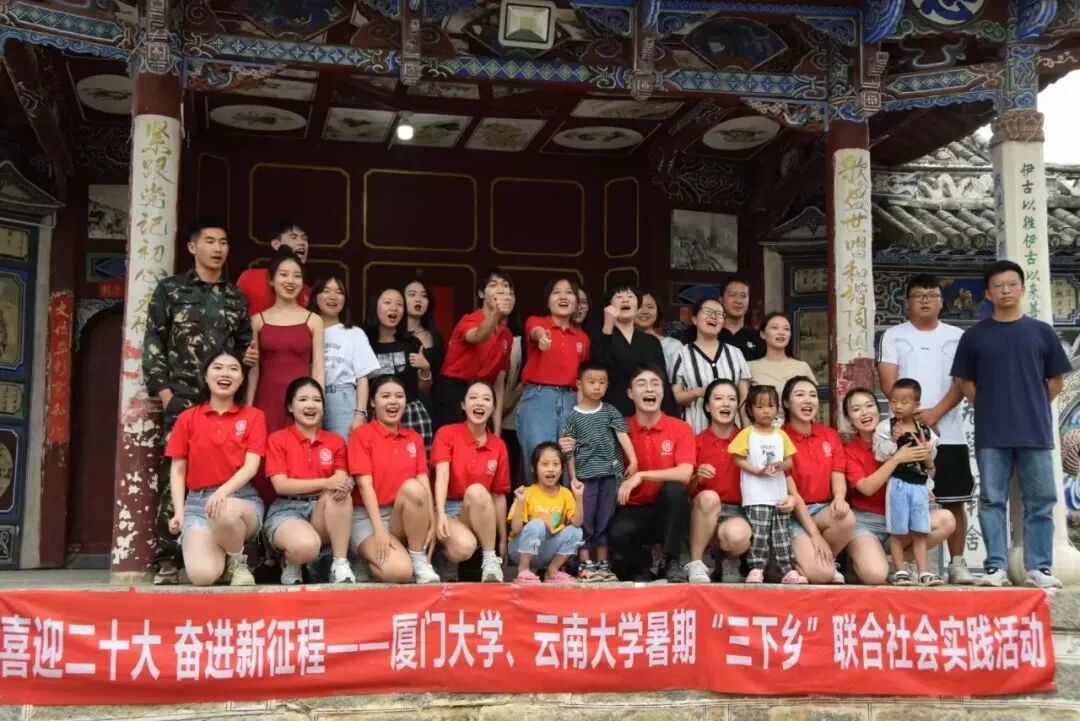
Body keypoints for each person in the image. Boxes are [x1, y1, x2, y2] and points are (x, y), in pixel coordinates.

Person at [951, 260, 1073, 589]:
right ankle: (995, 568)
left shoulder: (1041, 332)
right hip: (992, 432)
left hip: (1035, 431)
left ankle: (1039, 568)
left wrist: (1032, 405)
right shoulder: (974, 336)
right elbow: (964, 381)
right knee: (992, 500)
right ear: (988, 294)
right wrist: (989, 406)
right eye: (998, 286)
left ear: (1022, 288)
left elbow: (1056, 380)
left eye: (1011, 284)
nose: (1005, 290)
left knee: (1041, 500)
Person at [144, 217, 252, 584]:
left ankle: (226, 550)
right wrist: (166, 395)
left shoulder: (236, 297)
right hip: (183, 397)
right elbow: (154, 341)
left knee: (225, 469)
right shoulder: (171, 289)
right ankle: (167, 555)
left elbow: (244, 348)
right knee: (173, 473)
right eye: (209, 241)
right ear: (192, 247)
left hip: (223, 402)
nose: (217, 249)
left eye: (223, 242)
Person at [878, 273, 973, 584]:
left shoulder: (957, 336)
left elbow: (962, 381)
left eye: (932, 295)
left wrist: (935, 413)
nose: (925, 300)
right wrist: (912, 419)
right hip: (906, 435)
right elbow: (889, 380)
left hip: (949, 431)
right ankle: (902, 564)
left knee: (953, 500)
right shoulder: (893, 335)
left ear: (942, 302)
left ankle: (957, 563)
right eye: (918, 295)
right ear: (907, 302)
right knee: (905, 499)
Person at [165, 351, 265, 587]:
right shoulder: (188, 418)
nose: (225, 373)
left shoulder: (253, 416)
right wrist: (179, 512)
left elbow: (251, 467)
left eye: (233, 368)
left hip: (241, 501)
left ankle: (238, 563)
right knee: (202, 576)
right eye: (218, 367)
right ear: (205, 376)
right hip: (198, 504)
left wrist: (222, 492)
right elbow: (178, 470)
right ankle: (224, 551)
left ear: (242, 378)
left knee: (223, 510)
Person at [842, 388, 956, 585]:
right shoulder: (850, 451)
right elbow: (867, 488)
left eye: (869, 406)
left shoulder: (907, 435)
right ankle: (875, 560)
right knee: (875, 575)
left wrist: (928, 467)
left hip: (903, 518)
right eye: (856, 409)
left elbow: (927, 472)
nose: (865, 413)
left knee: (946, 519)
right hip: (866, 523)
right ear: (848, 418)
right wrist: (896, 459)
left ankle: (897, 564)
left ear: (879, 410)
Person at [247, 249, 325, 501]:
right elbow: (254, 370)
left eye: (296, 275)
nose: (290, 281)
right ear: (271, 280)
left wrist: (318, 405)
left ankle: (296, 513)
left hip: (302, 400)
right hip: (267, 399)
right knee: (263, 456)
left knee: (300, 454)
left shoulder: (314, 320)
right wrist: (248, 408)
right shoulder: (257, 320)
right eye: (283, 275)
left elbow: (318, 367)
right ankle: (263, 514)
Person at [605, 364, 694, 583]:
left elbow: (685, 473)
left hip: (668, 512)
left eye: (655, 384)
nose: (649, 389)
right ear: (630, 393)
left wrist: (641, 475)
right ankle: (641, 565)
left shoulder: (680, 428)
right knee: (618, 533)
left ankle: (670, 561)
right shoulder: (620, 428)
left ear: (663, 392)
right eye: (641, 384)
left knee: (675, 490)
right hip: (632, 509)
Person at [348, 375, 440, 584]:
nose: (393, 401)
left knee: (414, 488)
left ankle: (418, 558)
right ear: (373, 402)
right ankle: (364, 558)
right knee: (399, 573)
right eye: (386, 396)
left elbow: (423, 483)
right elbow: (364, 486)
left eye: (399, 396)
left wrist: (432, 522)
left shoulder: (414, 437)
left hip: (400, 514)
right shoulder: (361, 435)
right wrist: (379, 531)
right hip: (367, 517)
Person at [263, 377, 355, 585]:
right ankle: (291, 560)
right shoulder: (277, 439)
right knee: (305, 546)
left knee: (341, 495)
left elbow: (340, 479)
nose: (311, 405)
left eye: (316, 400)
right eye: (303, 399)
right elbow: (281, 485)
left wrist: (338, 484)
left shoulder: (335, 441)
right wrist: (325, 483)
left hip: (321, 509)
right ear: (290, 406)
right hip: (287, 509)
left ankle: (340, 563)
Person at [561, 360, 638, 582]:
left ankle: (603, 564)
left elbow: (622, 435)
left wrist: (633, 460)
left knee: (605, 519)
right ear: (579, 384)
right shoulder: (572, 416)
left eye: (602, 382)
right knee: (586, 520)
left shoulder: (610, 411)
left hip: (610, 476)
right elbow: (569, 451)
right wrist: (573, 477)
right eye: (592, 382)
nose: (597, 386)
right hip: (585, 478)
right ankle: (585, 564)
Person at [431, 381, 510, 583]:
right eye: (473, 397)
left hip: (478, 511)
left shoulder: (498, 445)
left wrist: (502, 540)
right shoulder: (447, 433)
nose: (480, 403)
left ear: (493, 408)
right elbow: (442, 475)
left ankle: (490, 560)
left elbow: (498, 495)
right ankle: (444, 557)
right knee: (464, 547)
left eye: (486, 399)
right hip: (447, 507)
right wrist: (440, 514)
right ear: (463, 405)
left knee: (478, 491)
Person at [728, 385, 807, 584]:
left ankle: (787, 570)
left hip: (779, 495)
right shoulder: (747, 433)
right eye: (760, 406)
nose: (766, 411)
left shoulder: (781, 435)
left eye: (771, 406)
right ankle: (756, 568)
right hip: (756, 496)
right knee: (759, 534)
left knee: (782, 534)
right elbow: (738, 459)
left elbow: (790, 461)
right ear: (750, 409)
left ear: (777, 408)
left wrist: (780, 465)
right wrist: (757, 471)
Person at [516, 277, 591, 487]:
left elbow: (582, 380)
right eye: (556, 292)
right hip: (539, 397)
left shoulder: (582, 338)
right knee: (538, 455)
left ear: (577, 303)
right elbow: (536, 332)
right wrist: (542, 338)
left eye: (569, 292)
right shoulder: (537, 322)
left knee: (569, 458)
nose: (563, 296)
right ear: (548, 301)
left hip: (571, 400)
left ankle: (565, 506)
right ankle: (535, 507)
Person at [782, 376, 853, 584]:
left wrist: (839, 497)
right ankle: (792, 565)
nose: (808, 400)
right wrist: (816, 536)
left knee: (846, 517)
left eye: (813, 395)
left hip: (821, 509)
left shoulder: (829, 434)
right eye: (800, 395)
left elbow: (838, 472)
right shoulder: (779, 437)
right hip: (793, 514)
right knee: (822, 576)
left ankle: (827, 560)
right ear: (786, 402)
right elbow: (793, 494)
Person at [872, 378, 941, 586]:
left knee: (920, 530)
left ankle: (923, 572)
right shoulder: (886, 427)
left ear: (916, 405)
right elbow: (879, 455)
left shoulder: (926, 431)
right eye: (894, 401)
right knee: (897, 530)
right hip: (898, 484)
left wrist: (928, 485)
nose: (898, 406)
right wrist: (894, 440)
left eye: (904, 402)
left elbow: (930, 462)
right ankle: (900, 570)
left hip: (919, 486)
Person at [683, 379, 752, 584]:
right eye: (718, 398)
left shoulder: (749, 440)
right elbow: (685, 490)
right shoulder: (695, 441)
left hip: (737, 512)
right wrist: (697, 478)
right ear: (707, 406)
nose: (725, 404)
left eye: (732, 399)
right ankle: (696, 562)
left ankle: (727, 559)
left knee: (737, 536)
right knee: (709, 497)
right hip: (701, 512)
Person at [436, 268, 514, 428]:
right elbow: (478, 336)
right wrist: (496, 314)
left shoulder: (507, 335)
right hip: (455, 390)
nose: (500, 289)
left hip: (483, 391)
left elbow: (498, 384)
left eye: (505, 285)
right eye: (493, 285)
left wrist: (497, 431)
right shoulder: (469, 320)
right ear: (481, 294)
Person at [310, 274, 380, 441]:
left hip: (342, 399)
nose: (333, 296)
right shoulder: (306, 331)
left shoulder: (354, 333)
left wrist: (360, 413)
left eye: (339, 292)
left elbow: (362, 377)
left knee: (343, 450)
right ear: (315, 297)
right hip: (309, 398)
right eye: (326, 291)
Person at [591, 285, 678, 417]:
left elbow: (661, 381)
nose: (625, 300)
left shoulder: (651, 341)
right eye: (619, 297)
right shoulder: (600, 336)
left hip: (646, 413)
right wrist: (608, 327)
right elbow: (597, 370)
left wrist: (670, 418)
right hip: (611, 412)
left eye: (631, 297)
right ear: (609, 306)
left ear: (637, 306)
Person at [364, 288, 434, 449]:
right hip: (377, 414)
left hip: (411, 413)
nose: (394, 308)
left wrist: (425, 369)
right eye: (387, 302)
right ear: (375, 307)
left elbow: (424, 388)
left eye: (399, 304)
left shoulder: (412, 343)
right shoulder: (365, 343)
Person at [507, 442, 585, 584]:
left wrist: (578, 497)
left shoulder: (566, 493)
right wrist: (520, 502)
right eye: (545, 464)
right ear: (534, 468)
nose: (551, 469)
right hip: (520, 551)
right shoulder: (527, 492)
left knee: (576, 531)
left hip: (547, 551)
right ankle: (523, 570)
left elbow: (577, 522)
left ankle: (552, 571)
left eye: (556, 464)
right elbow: (516, 529)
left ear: (562, 469)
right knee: (537, 524)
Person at [671, 297, 751, 433]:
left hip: (732, 434)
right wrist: (697, 392)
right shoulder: (681, 354)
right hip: (695, 430)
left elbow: (744, 398)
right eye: (708, 311)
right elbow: (675, 397)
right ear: (694, 319)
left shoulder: (735, 353)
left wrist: (747, 432)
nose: (713, 316)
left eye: (719, 314)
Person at [236, 219, 312, 315]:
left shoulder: (307, 291)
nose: (301, 242)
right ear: (276, 244)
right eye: (293, 237)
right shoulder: (249, 278)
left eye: (304, 238)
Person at [748, 313, 816, 408]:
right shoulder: (750, 367)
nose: (781, 332)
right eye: (775, 327)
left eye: (786, 329)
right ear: (762, 334)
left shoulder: (802, 367)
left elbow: (813, 401)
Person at [404, 278, 446, 421]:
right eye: (412, 294)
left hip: (427, 405)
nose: (418, 299)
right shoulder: (390, 333)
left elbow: (440, 376)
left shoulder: (435, 336)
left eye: (424, 296)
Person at [719, 278, 764, 361]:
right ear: (721, 299)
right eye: (732, 295)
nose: (738, 301)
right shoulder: (711, 334)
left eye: (743, 296)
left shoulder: (759, 338)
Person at [636, 292, 683, 372]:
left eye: (650, 307)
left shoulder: (673, 346)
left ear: (657, 312)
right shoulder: (622, 343)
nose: (645, 311)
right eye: (638, 307)